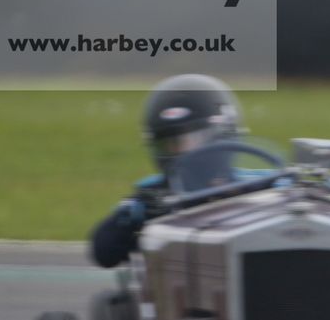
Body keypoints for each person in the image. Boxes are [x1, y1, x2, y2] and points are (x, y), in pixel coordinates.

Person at [88, 74, 244, 268]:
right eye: (170, 145)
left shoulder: (256, 187)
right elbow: (104, 253)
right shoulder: (153, 197)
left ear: (223, 135)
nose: (181, 152)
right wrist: (134, 219)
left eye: (192, 140)